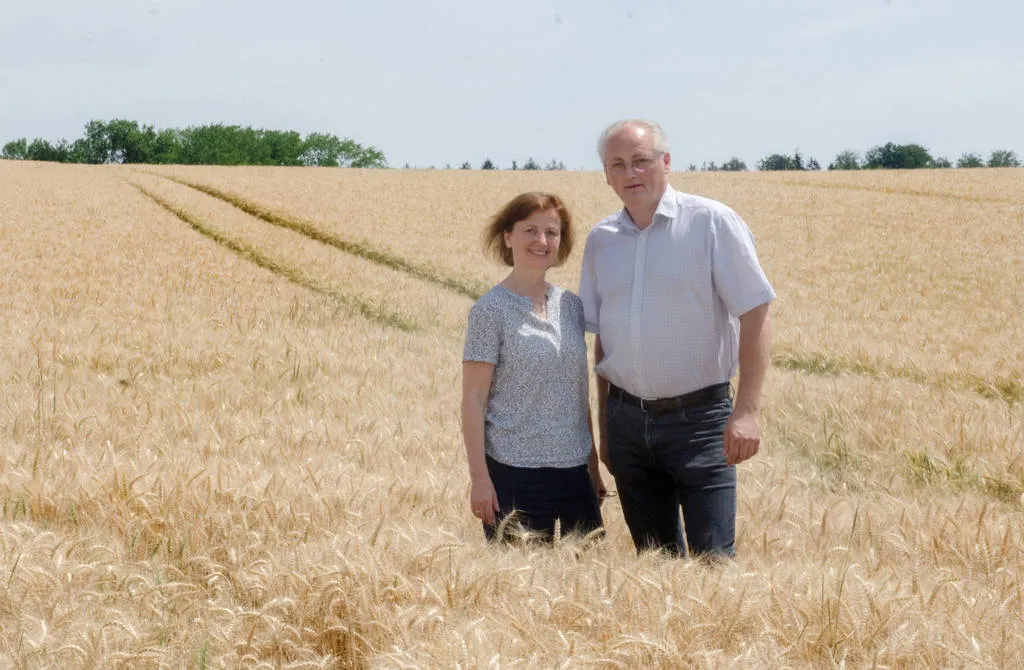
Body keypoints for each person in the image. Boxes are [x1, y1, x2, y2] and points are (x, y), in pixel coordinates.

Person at [579, 120, 775, 558]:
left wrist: (746, 411)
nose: (631, 173)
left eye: (641, 161)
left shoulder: (712, 222)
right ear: (606, 176)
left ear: (666, 163)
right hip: (626, 424)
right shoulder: (601, 241)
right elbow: (603, 343)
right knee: (655, 567)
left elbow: (756, 312)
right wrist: (607, 430)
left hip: (701, 423)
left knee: (713, 564)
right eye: (618, 165)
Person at [462, 192, 606, 543]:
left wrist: (593, 469)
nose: (542, 241)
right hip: (514, 473)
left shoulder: (571, 306)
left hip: (574, 474)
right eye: (530, 230)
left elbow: (576, 394)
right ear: (508, 237)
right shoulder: (489, 310)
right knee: (518, 592)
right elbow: (473, 400)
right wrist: (480, 479)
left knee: (584, 587)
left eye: (552, 232)